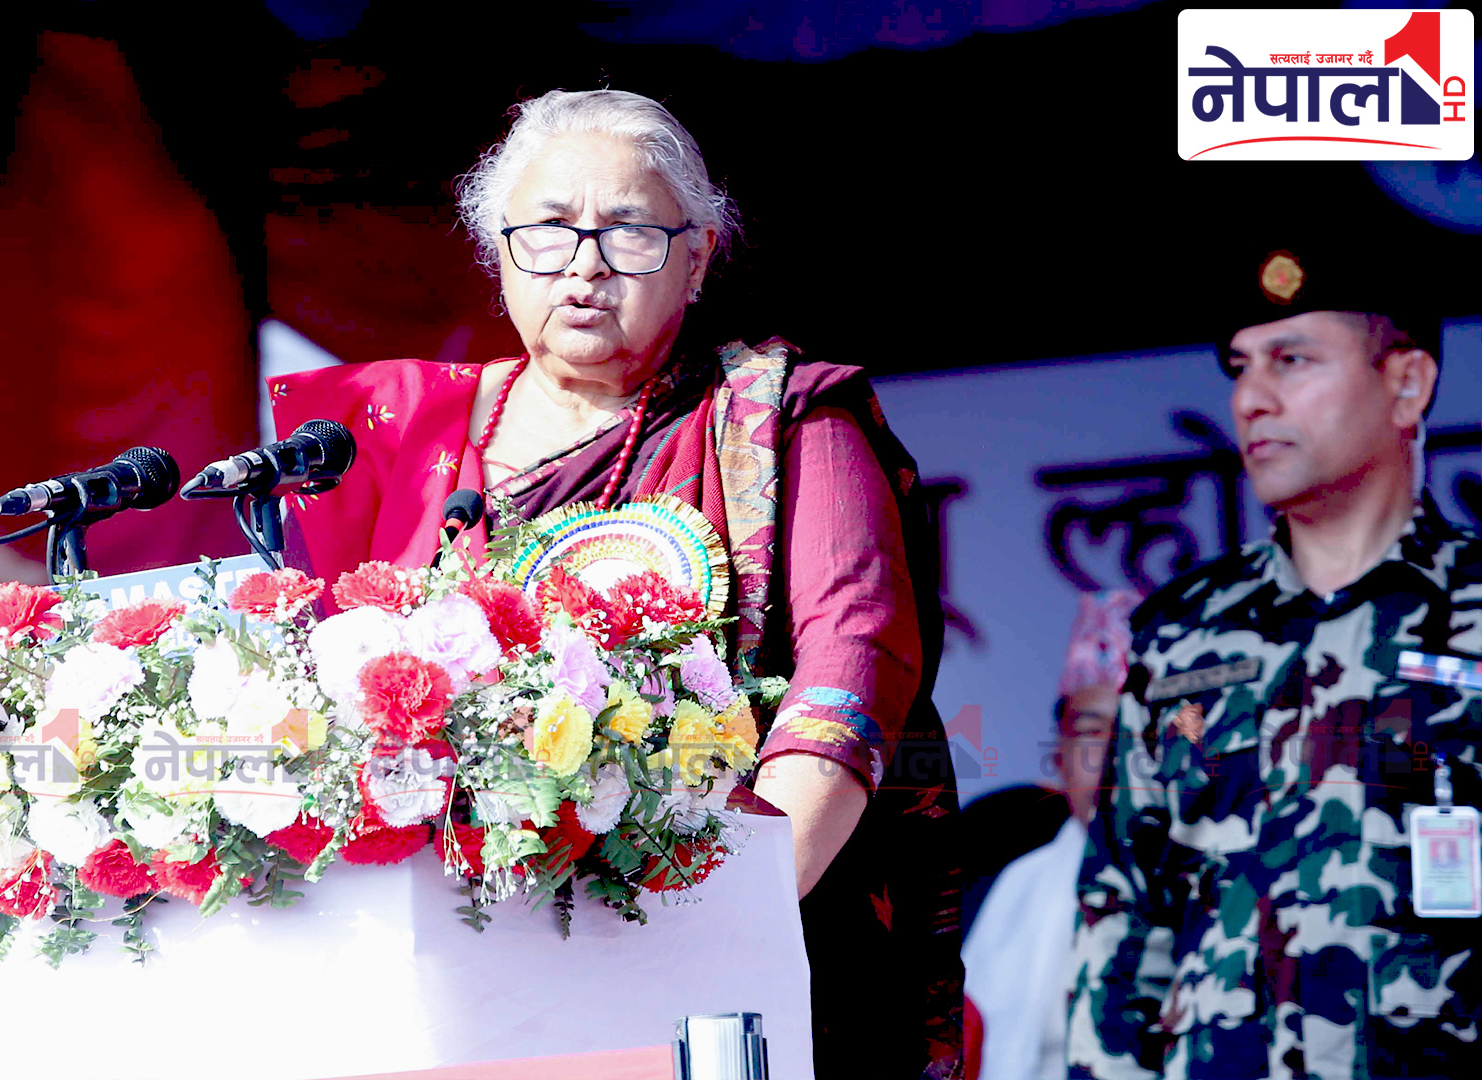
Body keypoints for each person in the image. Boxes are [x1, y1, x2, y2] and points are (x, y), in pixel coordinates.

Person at [270, 89, 963, 1079]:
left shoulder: (779, 422)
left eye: (630, 231)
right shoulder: (402, 438)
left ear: (699, 255)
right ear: (498, 251)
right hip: (462, 982)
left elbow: (853, 664)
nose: (585, 266)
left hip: (715, 971)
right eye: (549, 230)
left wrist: (726, 918)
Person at [1069, 248, 1480, 1079]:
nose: (1251, 399)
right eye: (1240, 367)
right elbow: (1123, 921)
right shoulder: (1181, 633)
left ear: (1407, 384)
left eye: (1292, 360)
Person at [963, 590, 1138, 1080]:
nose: (1115, 756)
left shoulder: (1214, 887)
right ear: (1058, 754)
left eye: (1138, 730)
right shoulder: (1000, 887)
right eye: (1092, 731)